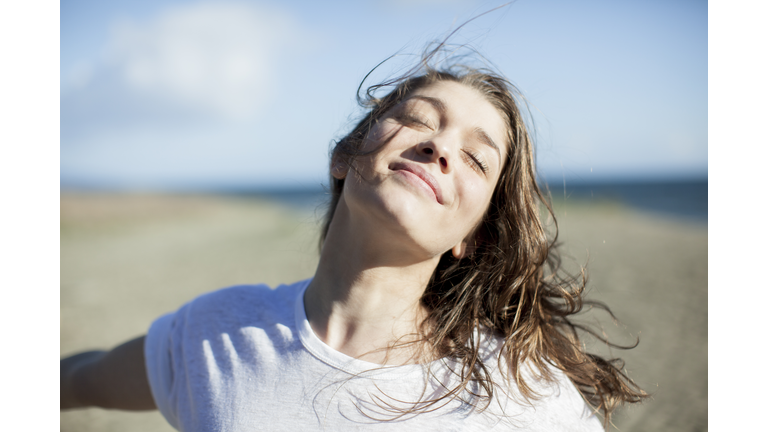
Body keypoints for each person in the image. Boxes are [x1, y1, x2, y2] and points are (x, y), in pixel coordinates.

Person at [60, 46, 646, 431]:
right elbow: (75, 378)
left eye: (475, 157)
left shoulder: (528, 400)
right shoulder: (216, 335)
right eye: (419, 119)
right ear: (345, 154)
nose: (441, 148)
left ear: (473, 234)